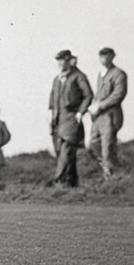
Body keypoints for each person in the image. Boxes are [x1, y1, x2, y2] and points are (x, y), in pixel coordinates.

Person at [48, 50, 93, 187]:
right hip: (57, 119)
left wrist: (80, 112)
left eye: (63, 60)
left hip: (71, 118)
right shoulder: (57, 79)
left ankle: (58, 180)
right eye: (59, 61)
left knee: (66, 148)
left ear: (70, 61)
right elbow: (52, 97)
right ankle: (71, 182)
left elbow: (88, 95)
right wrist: (50, 112)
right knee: (62, 150)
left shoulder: (79, 76)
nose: (60, 63)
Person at [88, 47, 128, 178]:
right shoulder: (101, 74)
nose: (104, 59)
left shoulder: (119, 74)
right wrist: (94, 106)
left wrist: (101, 105)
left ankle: (111, 177)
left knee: (107, 147)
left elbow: (118, 94)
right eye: (101, 56)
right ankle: (109, 168)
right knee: (93, 144)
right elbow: (98, 94)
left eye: (107, 56)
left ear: (112, 57)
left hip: (110, 115)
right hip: (98, 117)